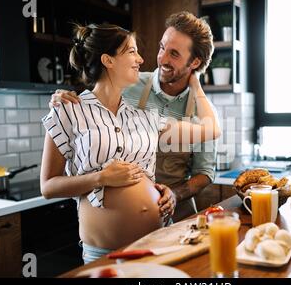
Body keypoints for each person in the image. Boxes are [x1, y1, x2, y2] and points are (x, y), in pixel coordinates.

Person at [40, 22, 220, 263]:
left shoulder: (144, 117)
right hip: (103, 252)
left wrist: (195, 82)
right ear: (108, 60)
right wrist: (100, 178)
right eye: (132, 51)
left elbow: (212, 130)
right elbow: (48, 187)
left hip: (158, 242)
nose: (143, 59)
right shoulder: (67, 111)